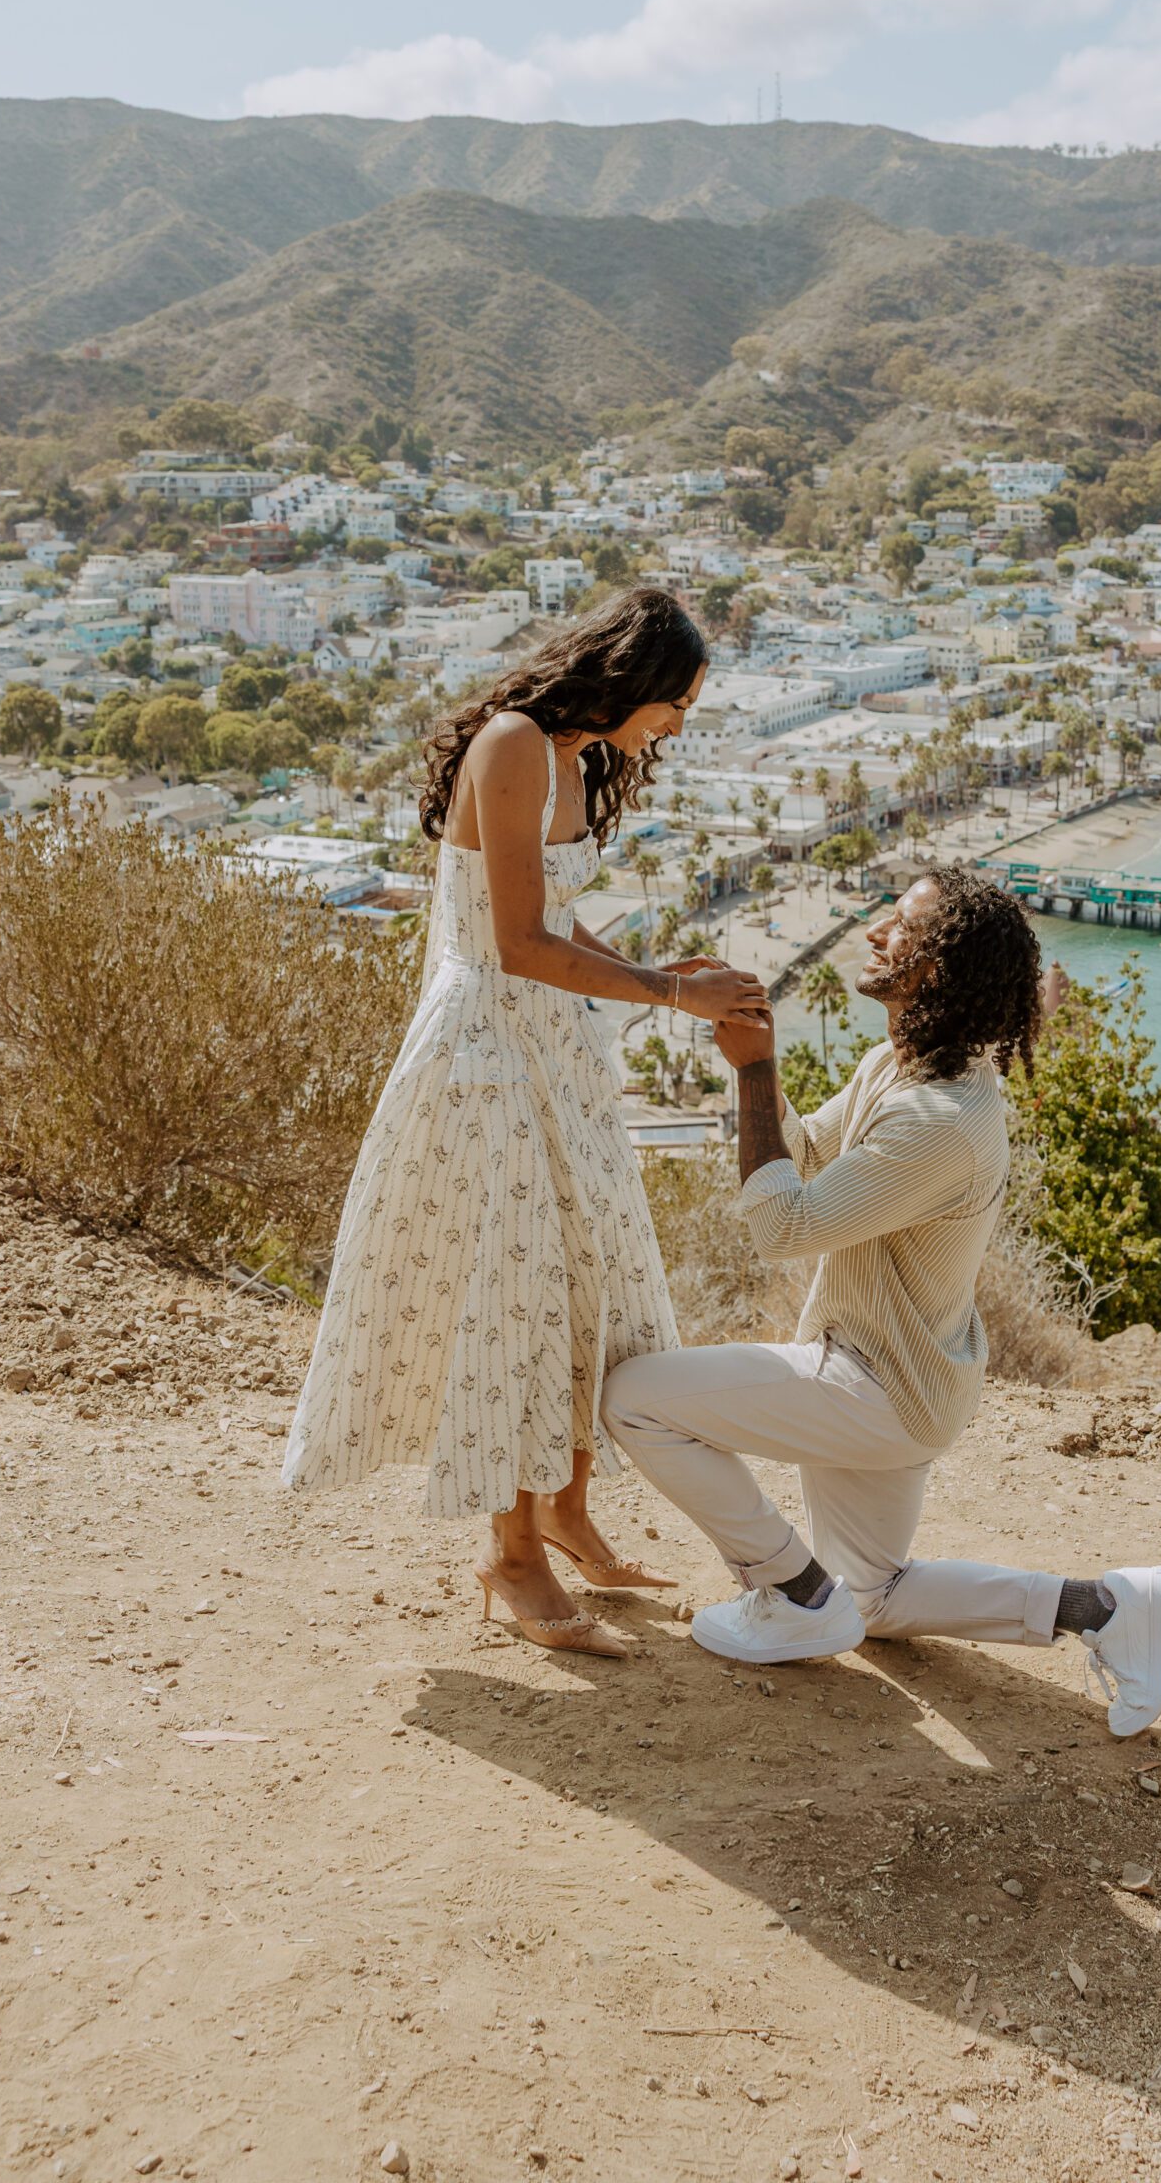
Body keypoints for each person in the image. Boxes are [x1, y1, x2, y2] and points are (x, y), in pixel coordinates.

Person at [283, 587, 768, 1658]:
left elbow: (558, 917)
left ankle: (565, 1513)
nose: (678, 723)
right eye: (677, 702)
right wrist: (671, 993)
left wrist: (659, 975)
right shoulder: (510, 744)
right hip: (488, 1053)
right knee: (520, 1292)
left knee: (594, 1276)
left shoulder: (578, 759)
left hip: (555, 1046)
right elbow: (514, 943)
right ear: (631, 678)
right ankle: (510, 1556)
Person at [602, 866, 1161, 1735]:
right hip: (906, 1383)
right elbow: (800, 1154)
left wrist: (754, 1074)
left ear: (937, 966)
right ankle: (1100, 1606)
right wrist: (755, 1058)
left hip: (872, 1388)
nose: (873, 932)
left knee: (633, 1399)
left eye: (899, 924)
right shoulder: (900, 1067)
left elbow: (784, 1226)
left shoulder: (940, 1123)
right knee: (869, 1599)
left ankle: (793, 1593)